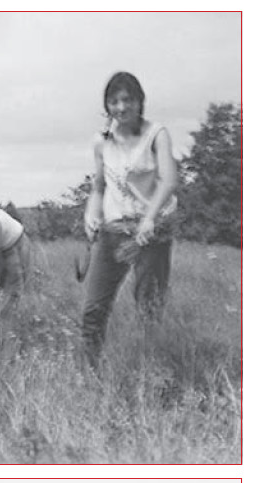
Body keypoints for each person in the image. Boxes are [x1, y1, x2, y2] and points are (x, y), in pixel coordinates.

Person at [81, 72, 178, 365]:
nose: (121, 107)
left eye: (127, 100)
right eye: (114, 101)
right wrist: (91, 214)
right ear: (107, 105)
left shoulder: (156, 134)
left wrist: (149, 218)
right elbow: (99, 187)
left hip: (150, 233)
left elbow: (168, 181)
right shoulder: (102, 141)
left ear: (140, 102)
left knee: (148, 308)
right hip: (113, 232)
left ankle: (151, 377)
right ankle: (88, 374)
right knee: (93, 309)